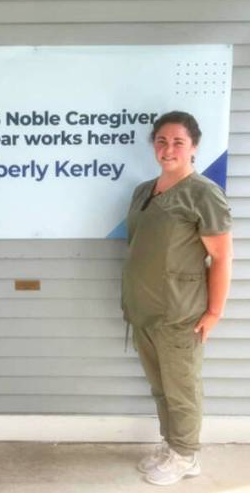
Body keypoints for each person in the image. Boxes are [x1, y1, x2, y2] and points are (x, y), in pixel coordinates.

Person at [122, 111, 232, 486]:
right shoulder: (143, 191)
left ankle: (186, 455)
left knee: (182, 389)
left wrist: (214, 311)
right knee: (161, 387)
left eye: (178, 142)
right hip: (144, 311)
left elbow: (220, 257)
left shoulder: (204, 194)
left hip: (180, 313)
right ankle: (173, 446)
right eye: (162, 141)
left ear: (194, 147)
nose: (168, 149)